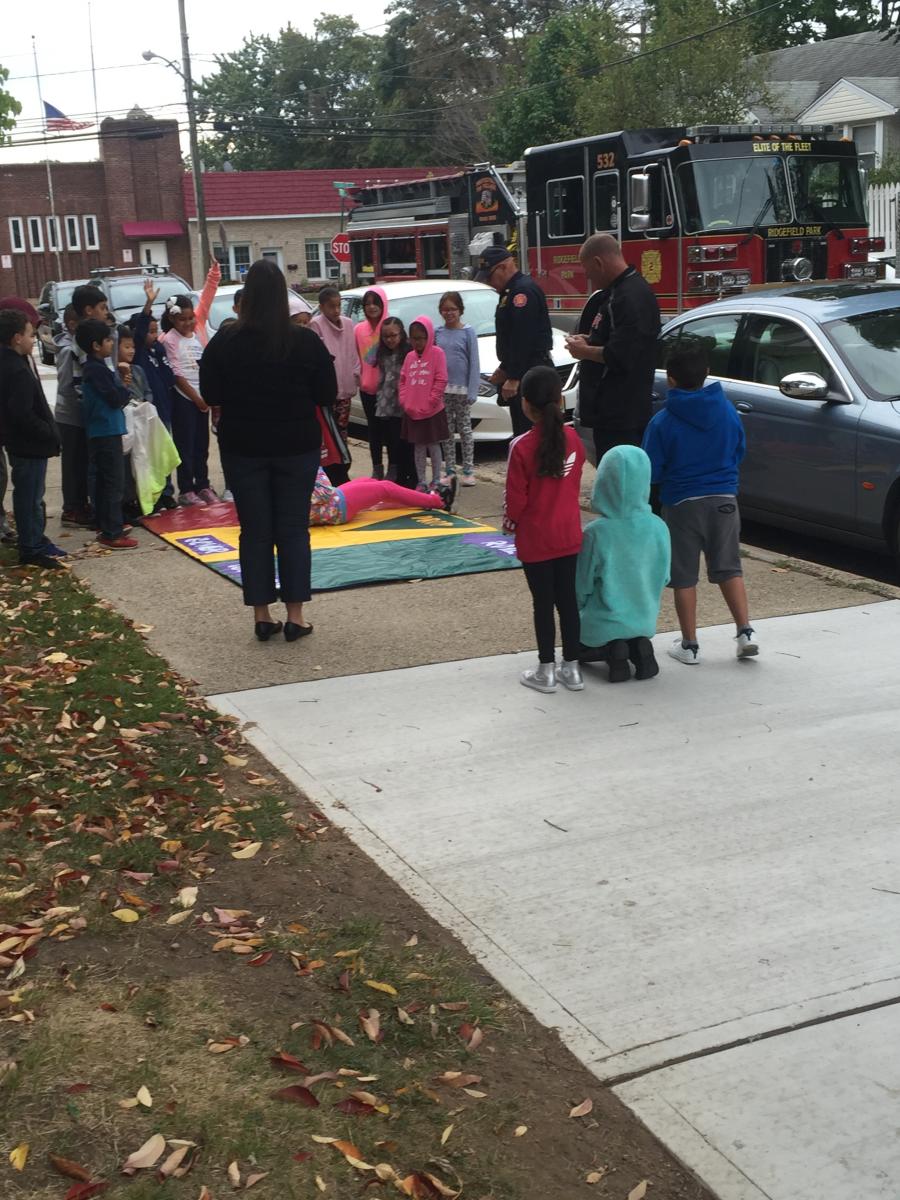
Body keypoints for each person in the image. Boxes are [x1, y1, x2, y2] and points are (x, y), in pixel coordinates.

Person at [199, 259, 338, 643]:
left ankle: (261, 613)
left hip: (243, 445)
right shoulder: (305, 341)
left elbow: (211, 394)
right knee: (293, 528)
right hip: (296, 445)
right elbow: (327, 393)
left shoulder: (225, 340)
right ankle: (296, 615)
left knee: (255, 530)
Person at [642, 344, 758, 664]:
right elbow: (739, 450)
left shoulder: (663, 421)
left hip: (682, 502)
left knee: (683, 576)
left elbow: (651, 469)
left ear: (672, 380)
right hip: (724, 498)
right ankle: (745, 631)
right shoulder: (727, 411)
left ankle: (690, 645)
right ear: (707, 374)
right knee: (729, 567)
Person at [504, 364, 586, 693]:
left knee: (543, 603)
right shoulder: (574, 440)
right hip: (568, 534)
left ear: (525, 403)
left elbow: (516, 500)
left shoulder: (521, 446)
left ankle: (545, 669)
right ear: (559, 399)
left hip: (536, 538)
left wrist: (509, 526)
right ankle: (573, 668)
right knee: (568, 600)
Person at [575, 444, 670, 682]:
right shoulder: (659, 526)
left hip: (603, 621)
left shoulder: (597, 533)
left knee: (576, 648)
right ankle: (638, 646)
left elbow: (582, 584)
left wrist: (577, 605)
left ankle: (612, 651)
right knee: (633, 635)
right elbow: (665, 575)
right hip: (643, 616)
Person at [565, 233, 661, 465]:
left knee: (620, 484)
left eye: (588, 271)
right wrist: (588, 339)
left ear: (599, 263)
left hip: (621, 417)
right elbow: (614, 338)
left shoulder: (629, 297)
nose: (588, 278)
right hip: (612, 414)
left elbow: (622, 354)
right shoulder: (616, 293)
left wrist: (583, 351)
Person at [0, 308, 64, 568]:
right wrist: (48, 432)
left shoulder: (13, 363)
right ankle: (31, 547)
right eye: (29, 334)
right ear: (16, 338)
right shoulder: (14, 369)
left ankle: (35, 540)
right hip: (28, 446)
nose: (32, 339)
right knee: (30, 498)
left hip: (24, 444)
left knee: (32, 497)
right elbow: (21, 413)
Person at [475, 246, 553, 439]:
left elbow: (523, 337)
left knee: (530, 433)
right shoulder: (510, 291)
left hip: (530, 372)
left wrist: (514, 377)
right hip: (523, 370)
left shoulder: (522, 293)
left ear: (502, 267)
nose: (489, 283)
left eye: (489, 276)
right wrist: (504, 368)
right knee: (521, 430)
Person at [75, 318, 138, 550]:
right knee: (113, 482)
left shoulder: (95, 368)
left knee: (104, 481)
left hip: (102, 429)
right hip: (106, 430)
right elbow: (114, 399)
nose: (112, 344)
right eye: (108, 341)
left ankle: (106, 525)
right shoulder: (96, 369)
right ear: (96, 345)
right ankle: (113, 531)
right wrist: (124, 388)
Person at [55, 283, 109, 526]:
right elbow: (67, 385)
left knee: (86, 462)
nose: (106, 312)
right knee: (74, 463)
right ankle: (72, 509)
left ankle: (83, 504)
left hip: (88, 414)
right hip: (72, 416)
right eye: (102, 308)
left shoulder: (90, 341)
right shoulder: (70, 349)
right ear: (88, 311)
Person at [159, 294, 216, 506]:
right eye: (182, 319)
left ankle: (203, 484)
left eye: (191, 317)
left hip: (202, 398)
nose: (189, 322)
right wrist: (195, 397)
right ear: (173, 319)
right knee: (186, 445)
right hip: (184, 398)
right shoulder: (169, 339)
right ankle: (186, 488)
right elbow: (176, 373)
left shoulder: (197, 335)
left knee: (202, 445)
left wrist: (206, 397)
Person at [128, 282, 178, 511]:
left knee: (164, 454)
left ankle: (167, 492)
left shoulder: (158, 350)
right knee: (150, 457)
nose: (154, 335)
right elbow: (138, 332)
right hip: (148, 414)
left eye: (156, 330)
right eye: (150, 331)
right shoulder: (138, 353)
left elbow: (169, 375)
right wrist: (148, 304)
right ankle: (152, 496)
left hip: (165, 410)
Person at [311, 285, 358, 485]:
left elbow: (354, 354)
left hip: (345, 388)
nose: (336, 310)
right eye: (331, 306)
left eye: (339, 305)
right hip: (327, 391)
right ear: (322, 307)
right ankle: (329, 471)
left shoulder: (349, 324)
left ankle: (342, 468)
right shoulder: (316, 325)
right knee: (327, 435)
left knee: (342, 430)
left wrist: (356, 375)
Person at [399, 317, 451, 495]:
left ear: (429, 337)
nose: (418, 342)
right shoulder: (409, 357)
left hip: (432, 411)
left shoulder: (438, 354)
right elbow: (403, 380)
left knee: (434, 445)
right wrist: (405, 402)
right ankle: (421, 481)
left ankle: (436, 480)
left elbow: (441, 379)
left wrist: (431, 402)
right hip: (413, 411)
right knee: (419, 446)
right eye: (414, 338)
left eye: (421, 338)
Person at [435, 290, 480, 486]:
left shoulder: (468, 332)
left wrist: (472, 390)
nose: (449, 313)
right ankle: (450, 470)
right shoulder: (437, 333)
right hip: (443, 391)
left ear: (460, 310)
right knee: (446, 432)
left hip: (462, 391)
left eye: (453, 309)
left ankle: (468, 470)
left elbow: (474, 362)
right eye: (445, 309)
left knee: (465, 430)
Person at [309, 466, 451, 525]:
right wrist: (316, 468)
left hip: (335, 502)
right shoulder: (290, 492)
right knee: (384, 488)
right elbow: (324, 493)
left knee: (370, 482)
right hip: (338, 506)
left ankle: (421, 498)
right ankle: (438, 500)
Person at [353, 287, 389, 477]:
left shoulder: (391, 328)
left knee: (391, 432)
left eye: (375, 302)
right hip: (367, 389)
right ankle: (377, 468)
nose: (371, 307)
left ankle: (394, 468)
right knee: (373, 431)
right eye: (367, 304)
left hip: (389, 391)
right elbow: (356, 357)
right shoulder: (358, 330)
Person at [374, 317, 410, 483]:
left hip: (404, 403)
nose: (389, 340)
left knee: (405, 441)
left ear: (401, 334)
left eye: (393, 335)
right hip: (387, 403)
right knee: (391, 439)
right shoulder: (381, 352)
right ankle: (393, 468)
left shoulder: (409, 352)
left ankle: (406, 471)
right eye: (385, 336)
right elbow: (368, 359)